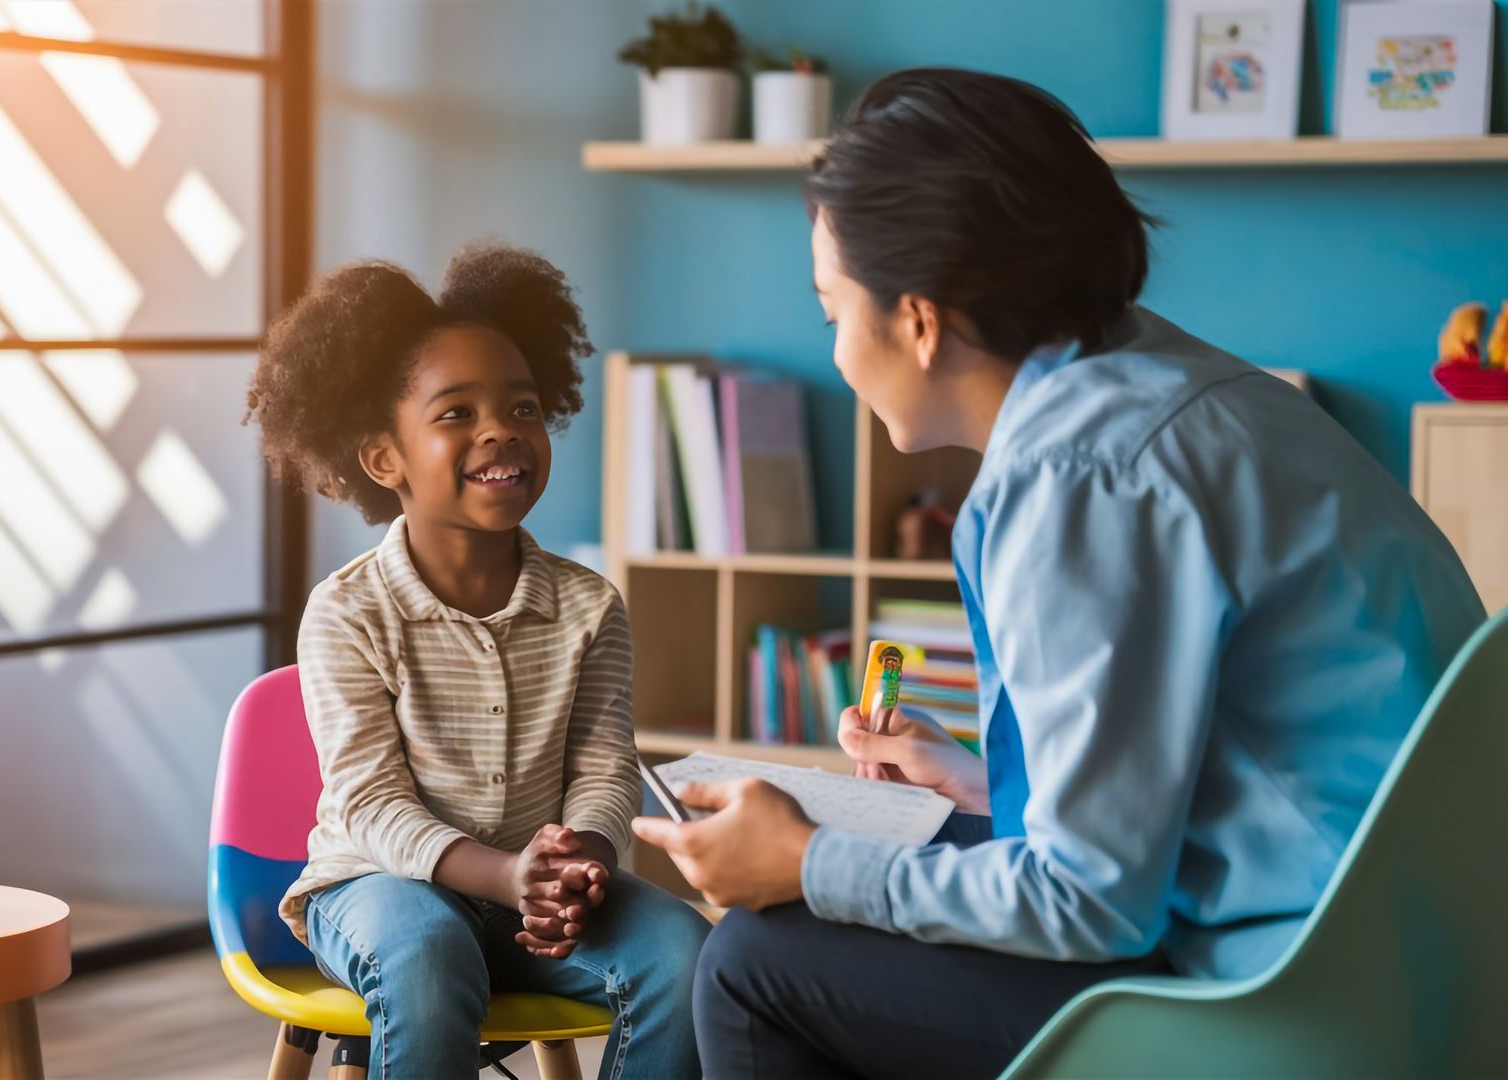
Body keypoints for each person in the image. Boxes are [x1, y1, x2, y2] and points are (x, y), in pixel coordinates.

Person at [631, 68, 1487, 1078]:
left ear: (918, 318)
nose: (842, 355)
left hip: (1301, 1002)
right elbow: (1210, 771)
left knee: (751, 962)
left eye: (834, 312)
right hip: (1429, 967)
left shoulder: (1083, 473)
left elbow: (1092, 902)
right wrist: (980, 782)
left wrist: (808, 863)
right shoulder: (1192, 395)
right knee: (914, 858)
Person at [247, 245, 710, 1080]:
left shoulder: (590, 606)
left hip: (535, 892)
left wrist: (581, 866)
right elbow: (370, 804)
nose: (501, 428)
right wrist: (506, 874)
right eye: (456, 413)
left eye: (523, 407)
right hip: (379, 885)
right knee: (427, 959)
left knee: (685, 953)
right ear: (383, 457)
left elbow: (607, 767)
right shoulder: (349, 612)